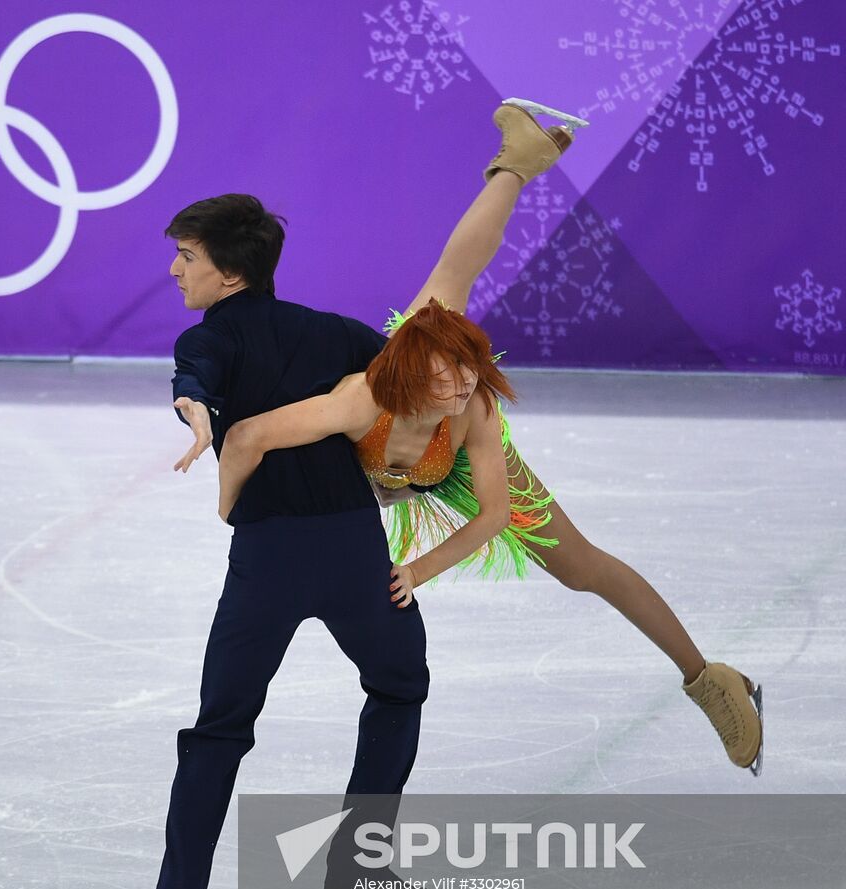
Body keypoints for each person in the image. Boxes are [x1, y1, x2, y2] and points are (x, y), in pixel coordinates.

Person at [214, 101, 765, 796]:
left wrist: (420, 569)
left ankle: (708, 678)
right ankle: (520, 162)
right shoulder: (363, 397)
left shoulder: (472, 404)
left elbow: (495, 513)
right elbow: (252, 435)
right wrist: (230, 508)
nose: (466, 383)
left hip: (446, 470)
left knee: (582, 566)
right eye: (450, 372)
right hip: (370, 457)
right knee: (438, 298)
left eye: (471, 371)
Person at [135, 194, 433, 889]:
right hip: (348, 551)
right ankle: (359, 868)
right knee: (400, 685)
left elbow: (196, 376)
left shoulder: (206, 337)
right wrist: (410, 463)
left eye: (187, 258)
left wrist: (200, 417)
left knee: (219, 729)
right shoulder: (332, 331)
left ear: (229, 273)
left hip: (264, 559)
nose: (174, 270)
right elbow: (420, 374)